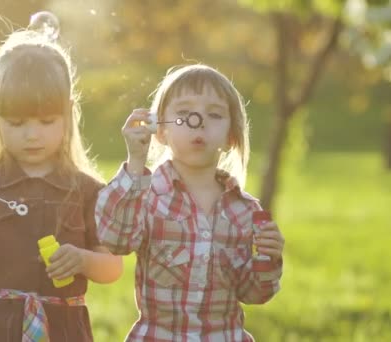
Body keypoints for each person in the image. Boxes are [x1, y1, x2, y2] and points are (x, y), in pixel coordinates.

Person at [0, 14, 122, 342]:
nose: (32, 135)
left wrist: (83, 260)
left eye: (46, 121)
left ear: (68, 114)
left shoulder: (86, 190)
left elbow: (113, 268)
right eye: (17, 123)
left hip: (63, 329)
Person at [95, 64, 284, 341]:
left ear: (231, 137)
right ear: (160, 130)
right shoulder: (146, 197)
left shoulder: (245, 211)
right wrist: (136, 161)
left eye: (215, 114)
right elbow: (116, 240)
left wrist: (268, 257)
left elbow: (254, 293)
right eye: (184, 113)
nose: (199, 121)